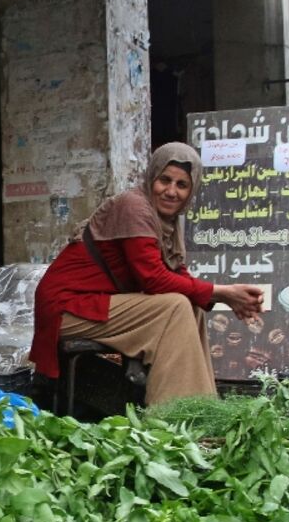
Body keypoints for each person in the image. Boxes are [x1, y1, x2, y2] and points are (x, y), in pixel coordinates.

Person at [29, 142, 264, 406]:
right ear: (152, 177)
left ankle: (200, 406)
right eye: (165, 180)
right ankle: (171, 417)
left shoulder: (167, 221)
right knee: (173, 306)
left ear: (191, 191)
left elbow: (176, 274)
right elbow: (153, 279)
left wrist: (219, 296)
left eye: (182, 185)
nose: (171, 192)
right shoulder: (135, 207)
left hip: (95, 304)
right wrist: (221, 293)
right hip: (67, 308)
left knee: (190, 304)